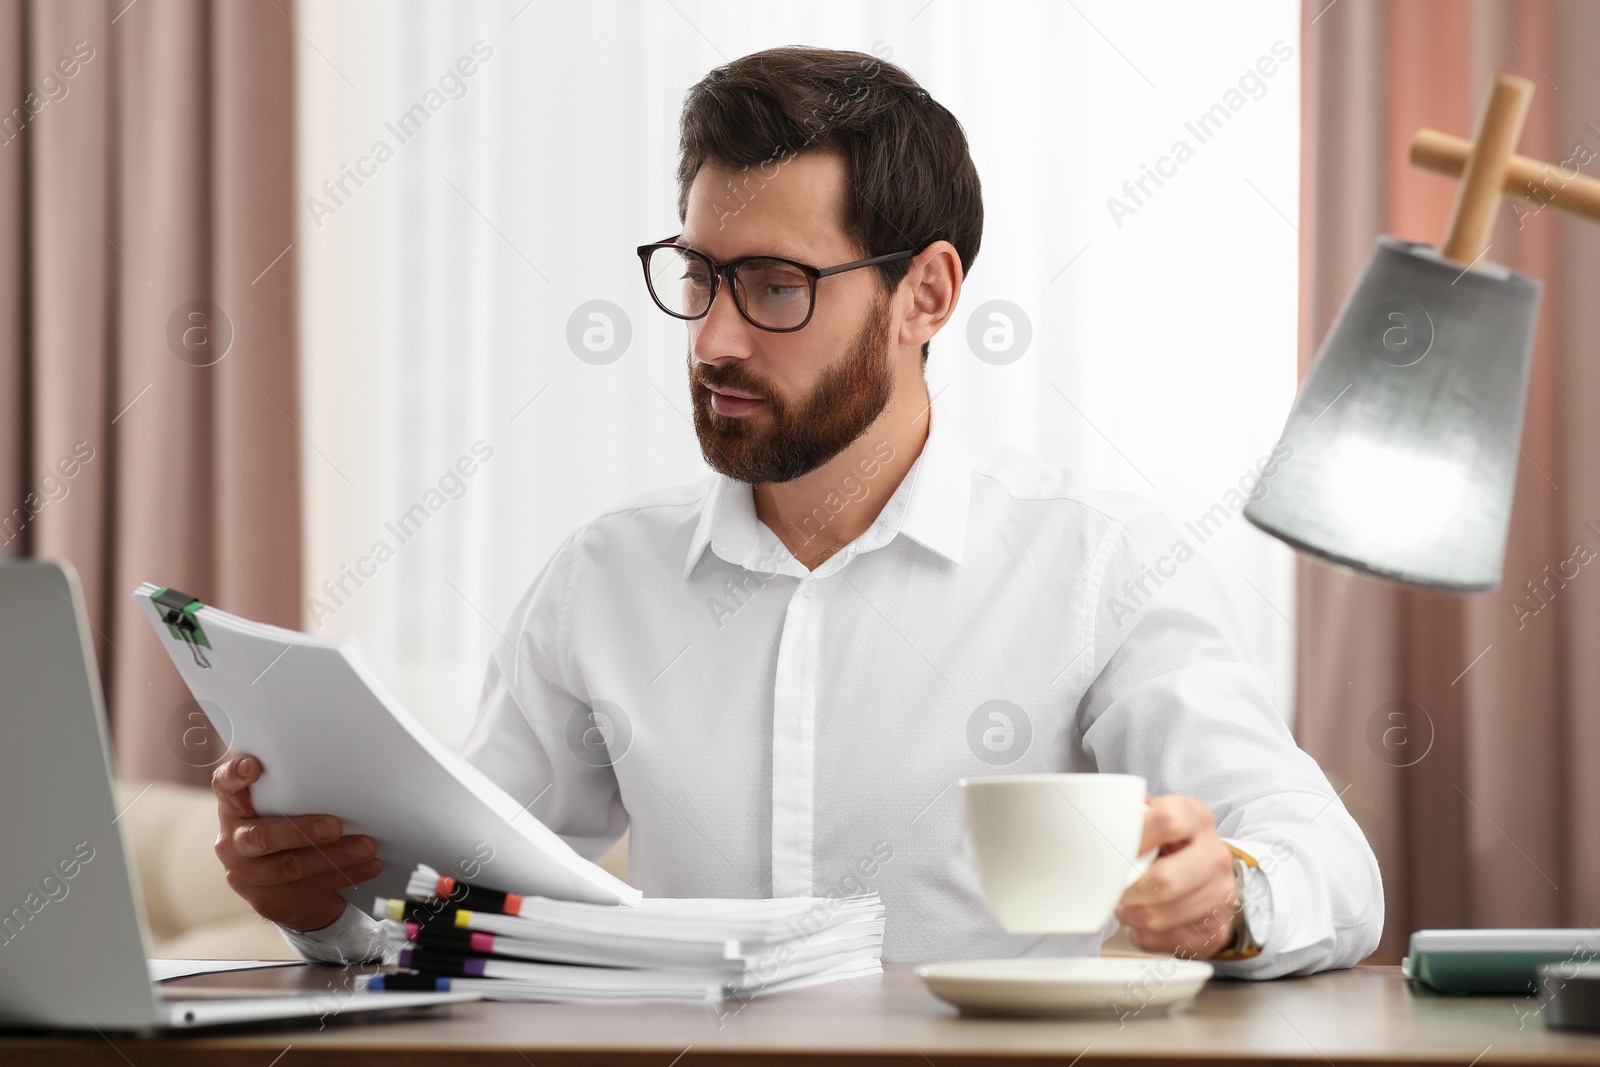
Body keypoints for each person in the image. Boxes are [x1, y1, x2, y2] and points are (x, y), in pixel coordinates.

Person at [210, 45, 1381, 976]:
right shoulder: (604, 582)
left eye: (776, 286)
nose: (714, 338)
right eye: (700, 275)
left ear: (924, 293)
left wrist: (1234, 892)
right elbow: (447, 897)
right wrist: (322, 903)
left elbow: (1327, 864)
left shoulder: (1100, 564)